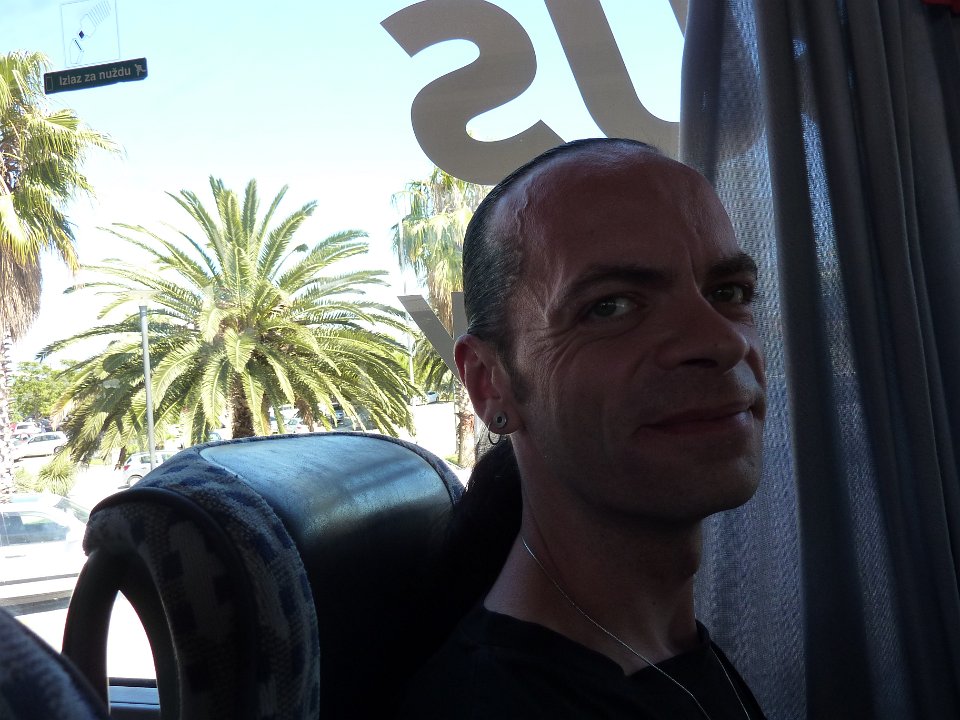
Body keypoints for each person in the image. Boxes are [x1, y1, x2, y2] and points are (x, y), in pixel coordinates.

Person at [400, 138, 768, 719]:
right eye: (611, 306)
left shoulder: (661, 646)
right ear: (490, 383)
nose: (722, 342)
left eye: (728, 293)